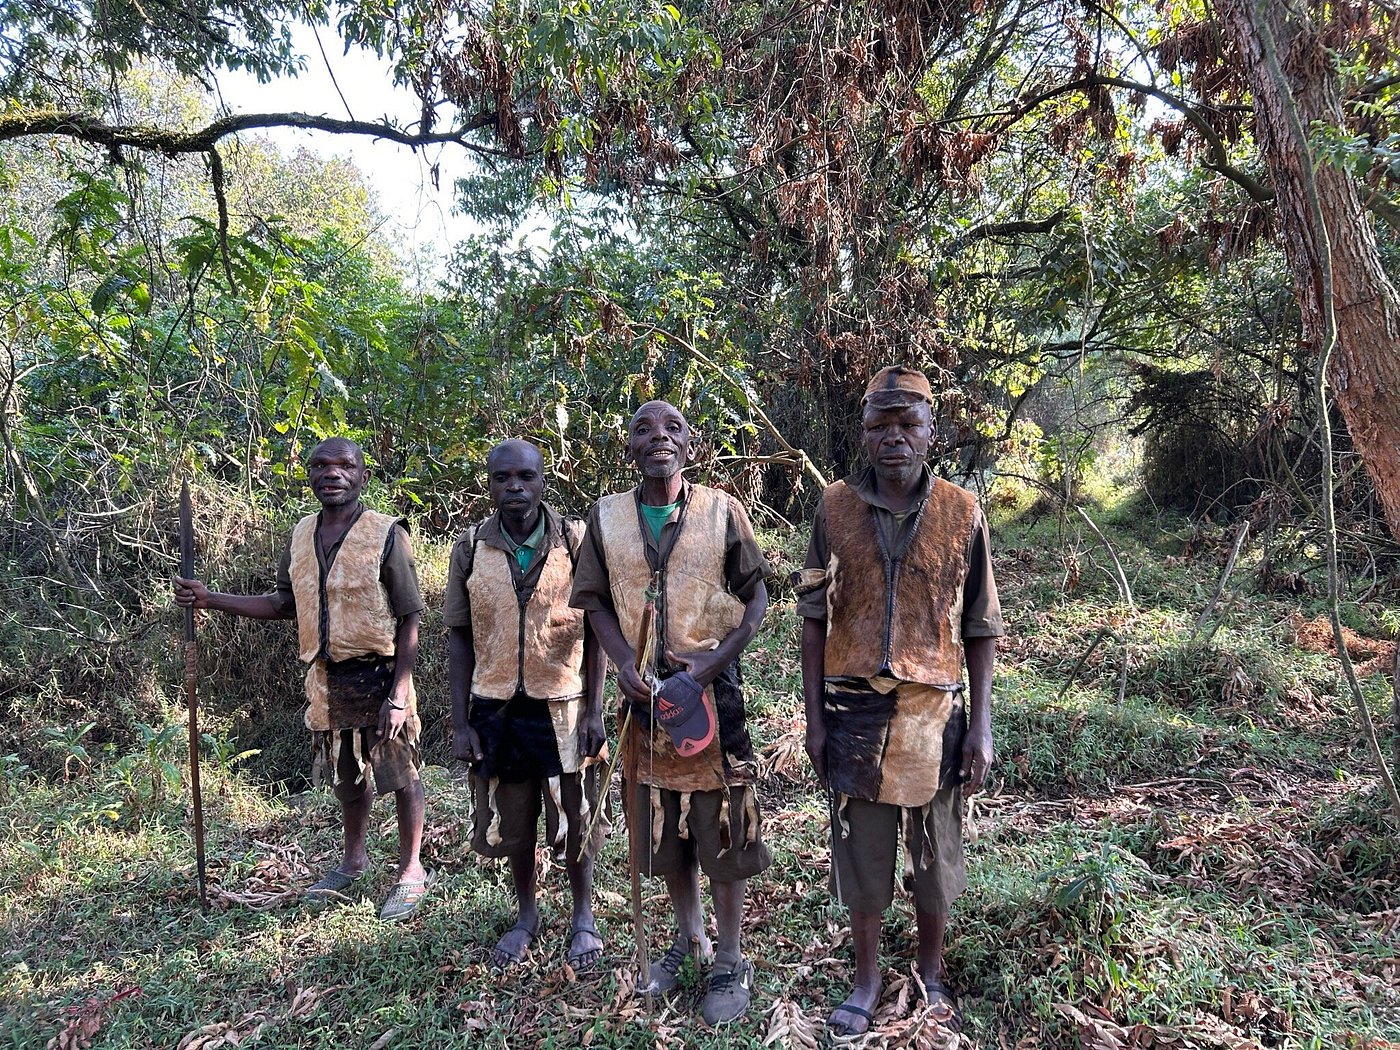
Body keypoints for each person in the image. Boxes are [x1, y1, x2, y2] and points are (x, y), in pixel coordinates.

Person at [796, 366, 1003, 1037]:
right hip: (853, 707)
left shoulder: (962, 512)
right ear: (862, 432)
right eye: (879, 425)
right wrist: (814, 718)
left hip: (934, 709)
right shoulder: (832, 508)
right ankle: (865, 978)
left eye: (907, 424)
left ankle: (932, 972)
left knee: (936, 853)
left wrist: (982, 730)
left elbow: (980, 625)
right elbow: (812, 618)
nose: (893, 438)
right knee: (862, 853)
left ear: (931, 431)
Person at [570, 400, 772, 1026]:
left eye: (673, 429)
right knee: (662, 831)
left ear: (691, 445)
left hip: (712, 702)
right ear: (628, 447)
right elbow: (594, 600)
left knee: (722, 831)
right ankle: (690, 940)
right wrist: (621, 662)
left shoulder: (721, 510)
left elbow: (758, 593)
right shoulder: (606, 519)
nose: (659, 437)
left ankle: (730, 960)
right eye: (643, 430)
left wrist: (711, 665)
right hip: (644, 710)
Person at [173, 437, 432, 922]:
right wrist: (210, 599)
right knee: (346, 776)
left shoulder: (385, 534)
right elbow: (282, 604)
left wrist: (399, 691)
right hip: (326, 679)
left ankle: (411, 869)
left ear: (362, 477)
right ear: (308, 476)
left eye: (344, 465)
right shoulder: (300, 536)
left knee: (400, 773)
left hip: (379, 674)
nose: (331, 473)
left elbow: (410, 616)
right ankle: (353, 862)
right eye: (320, 466)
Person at [444, 439, 607, 970]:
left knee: (573, 814)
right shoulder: (471, 546)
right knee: (514, 821)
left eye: (525, 478)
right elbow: (459, 636)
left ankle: (582, 915)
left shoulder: (576, 539)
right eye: (502, 478)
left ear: (544, 480)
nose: (514, 488)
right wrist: (460, 721)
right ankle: (526, 915)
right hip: (495, 706)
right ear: (488, 484)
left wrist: (595, 710)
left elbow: (598, 627)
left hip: (562, 702)